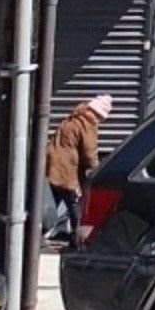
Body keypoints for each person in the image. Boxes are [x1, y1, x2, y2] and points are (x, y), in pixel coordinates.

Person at [44, 94, 112, 242]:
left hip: (53, 165)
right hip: (66, 168)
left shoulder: (73, 119)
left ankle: (37, 233)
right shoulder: (88, 123)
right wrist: (96, 169)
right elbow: (89, 151)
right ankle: (78, 238)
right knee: (74, 202)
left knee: (50, 203)